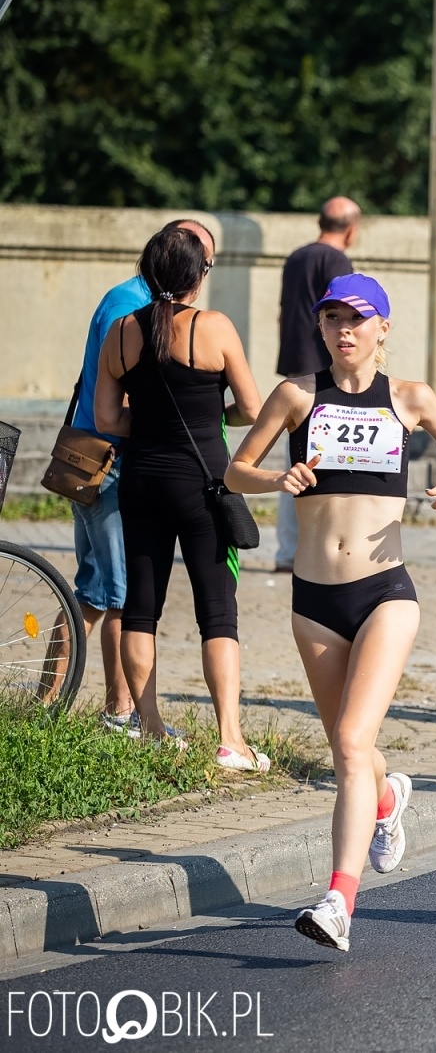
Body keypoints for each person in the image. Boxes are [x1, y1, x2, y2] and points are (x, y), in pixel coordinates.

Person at [225, 273, 436, 952]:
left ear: (383, 329)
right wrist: (273, 478)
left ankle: (338, 901)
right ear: (321, 327)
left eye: (359, 319)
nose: (345, 330)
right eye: (334, 317)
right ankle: (389, 799)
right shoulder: (296, 395)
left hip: (383, 594)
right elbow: (234, 471)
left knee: (347, 743)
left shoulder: (408, 398)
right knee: (353, 746)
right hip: (313, 601)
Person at [93, 225, 267, 771]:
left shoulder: (122, 331)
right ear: (200, 276)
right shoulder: (214, 328)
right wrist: (212, 414)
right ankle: (230, 740)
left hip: (142, 479)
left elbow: (106, 418)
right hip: (203, 483)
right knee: (217, 611)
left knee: (141, 606)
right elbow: (252, 407)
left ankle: (148, 726)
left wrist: (146, 421)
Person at [70, 219, 215, 736]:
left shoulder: (133, 300)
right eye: (203, 265)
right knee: (121, 595)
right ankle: (122, 713)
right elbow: (117, 393)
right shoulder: (131, 308)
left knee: (91, 592)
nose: (203, 275)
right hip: (110, 461)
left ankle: (45, 701)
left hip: (105, 454)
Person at [274, 196, 360, 573]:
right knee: (321, 461)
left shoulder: (296, 257)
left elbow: (282, 314)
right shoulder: (337, 261)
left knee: (294, 458)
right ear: (352, 230)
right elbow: (348, 319)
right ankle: (302, 551)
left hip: (294, 367)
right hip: (323, 373)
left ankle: (287, 549)